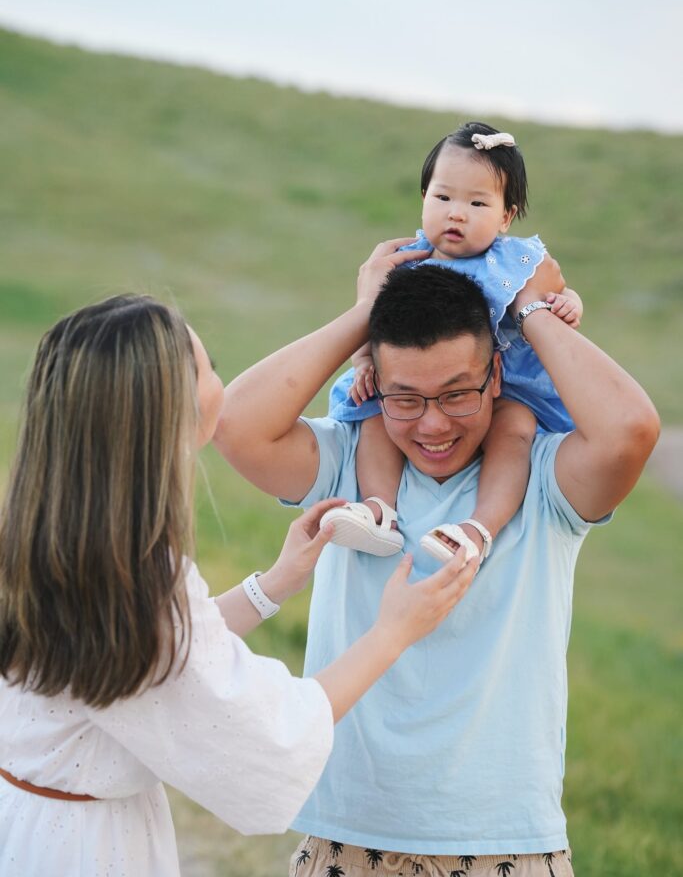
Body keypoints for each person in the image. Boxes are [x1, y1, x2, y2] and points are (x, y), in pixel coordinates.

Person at [215, 241, 659, 876]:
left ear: (496, 376)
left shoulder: (543, 478)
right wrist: (367, 312)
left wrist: (526, 301)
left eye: (456, 395)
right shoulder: (348, 462)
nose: (432, 426)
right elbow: (235, 424)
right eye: (405, 399)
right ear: (374, 389)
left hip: (507, 844)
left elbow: (631, 431)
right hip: (345, 835)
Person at [0, 294, 478, 877]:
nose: (220, 387)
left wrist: (273, 584)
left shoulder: (45, 537)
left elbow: (140, 658)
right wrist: (393, 632)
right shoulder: (130, 574)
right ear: (165, 411)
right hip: (83, 850)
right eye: (211, 369)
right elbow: (271, 730)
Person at [323, 122, 584, 566]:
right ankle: (379, 509)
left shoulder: (514, 260)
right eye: (443, 198)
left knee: (514, 429)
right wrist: (363, 361)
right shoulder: (406, 262)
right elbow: (376, 324)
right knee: (377, 415)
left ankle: (479, 527)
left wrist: (570, 303)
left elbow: (557, 289)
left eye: (477, 203)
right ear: (424, 197)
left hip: (508, 387)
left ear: (506, 216)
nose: (456, 214)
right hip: (417, 386)